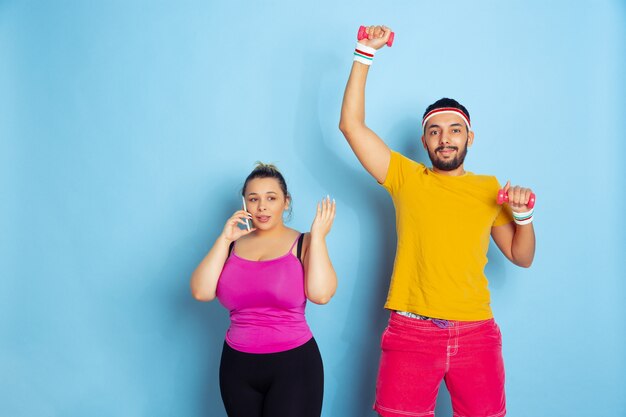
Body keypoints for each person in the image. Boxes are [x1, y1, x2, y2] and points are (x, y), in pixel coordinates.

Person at [339, 25, 536, 417]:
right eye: (435, 131)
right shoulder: (405, 177)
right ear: (425, 141)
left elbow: (521, 255)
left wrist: (524, 217)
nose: (445, 138)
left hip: (477, 333)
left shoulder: (488, 189)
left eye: (454, 130)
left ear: (470, 138)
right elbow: (351, 127)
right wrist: (364, 53)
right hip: (411, 333)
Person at [190, 163, 337, 417]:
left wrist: (319, 238)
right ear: (245, 203)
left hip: (294, 366)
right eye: (253, 199)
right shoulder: (231, 245)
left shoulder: (304, 242)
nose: (262, 207)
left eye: (271, 198)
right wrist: (224, 238)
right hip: (237, 367)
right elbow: (201, 292)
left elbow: (320, 294)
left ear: (286, 202)